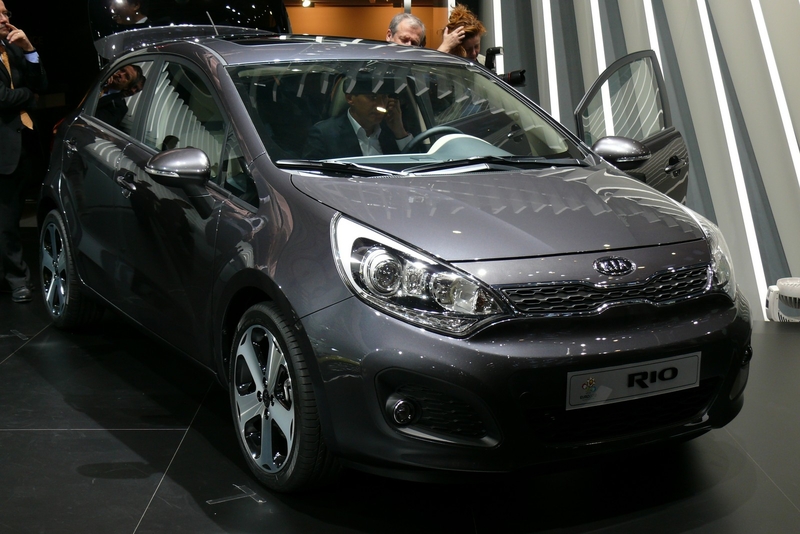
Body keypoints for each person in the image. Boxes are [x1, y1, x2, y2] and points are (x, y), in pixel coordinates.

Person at [0, 1, 46, 303]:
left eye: (6, 13)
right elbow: (2, 98)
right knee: (4, 221)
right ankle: (17, 279)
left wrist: (29, 50)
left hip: (21, 145)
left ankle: (12, 277)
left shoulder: (13, 47)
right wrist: (29, 95)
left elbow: (42, 83)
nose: (5, 18)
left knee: (12, 217)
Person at [303, 70, 412, 160]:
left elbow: (416, 166)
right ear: (350, 98)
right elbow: (309, 175)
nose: (381, 105)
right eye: (373, 97)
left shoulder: (391, 131)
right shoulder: (324, 135)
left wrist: (400, 132)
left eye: (384, 97)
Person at [95, 64, 145, 128]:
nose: (121, 74)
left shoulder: (118, 107)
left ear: (127, 87)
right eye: (122, 70)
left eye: (127, 76)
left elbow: (96, 123)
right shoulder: (100, 79)